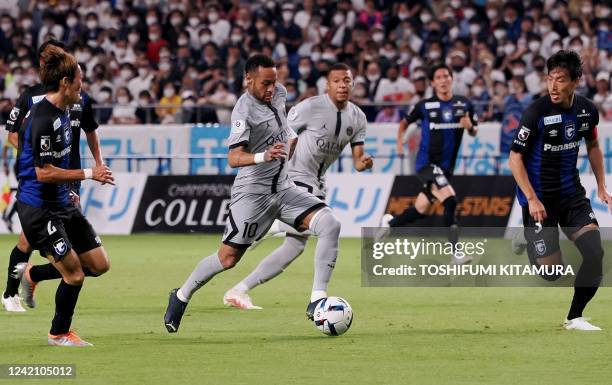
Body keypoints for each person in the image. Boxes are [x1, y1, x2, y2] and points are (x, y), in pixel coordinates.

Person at [163, 54, 341, 332]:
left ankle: (317, 300)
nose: (271, 89)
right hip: (253, 194)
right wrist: (264, 156)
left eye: (274, 82)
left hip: (284, 188)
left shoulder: (279, 94)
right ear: (248, 79)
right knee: (227, 259)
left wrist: (290, 142)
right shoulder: (242, 111)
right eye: (265, 83)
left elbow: (284, 126)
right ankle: (181, 295)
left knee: (330, 223)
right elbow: (234, 158)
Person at [223, 63, 372, 310]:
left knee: (294, 247)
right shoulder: (311, 107)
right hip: (295, 176)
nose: (343, 85)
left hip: (318, 180)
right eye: (337, 81)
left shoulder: (358, 117)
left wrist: (363, 163)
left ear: (353, 83)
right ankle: (316, 296)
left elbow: (357, 160)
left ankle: (239, 290)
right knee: (324, 227)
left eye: (347, 80)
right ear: (328, 84)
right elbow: (282, 130)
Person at [15, 46, 114, 346]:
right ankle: (59, 333)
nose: (83, 89)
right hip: (38, 209)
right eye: (80, 83)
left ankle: (32, 274)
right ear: (65, 83)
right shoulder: (43, 118)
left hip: (62, 202)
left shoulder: (67, 110)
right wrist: (88, 174)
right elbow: (44, 172)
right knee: (74, 276)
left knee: (98, 265)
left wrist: (71, 188)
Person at [509, 50, 610, 331]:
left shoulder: (587, 110)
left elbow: (593, 146)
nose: (553, 86)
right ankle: (527, 235)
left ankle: (574, 317)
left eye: (561, 79)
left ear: (576, 81)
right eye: (550, 79)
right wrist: (531, 199)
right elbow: (514, 157)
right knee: (551, 273)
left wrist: (602, 186)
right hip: (539, 200)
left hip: (572, 195)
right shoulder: (536, 112)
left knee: (594, 254)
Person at [382, 63, 478, 265]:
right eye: (439, 77)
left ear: (452, 79)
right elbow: (404, 123)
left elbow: (474, 130)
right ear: (433, 83)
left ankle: (390, 224)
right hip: (426, 164)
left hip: (446, 168)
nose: (443, 80)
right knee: (450, 200)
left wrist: (470, 128)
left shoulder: (464, 104)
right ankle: (456, 253)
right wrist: (400, 142)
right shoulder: (424, 106)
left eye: (446, 76)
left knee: (420, 209)